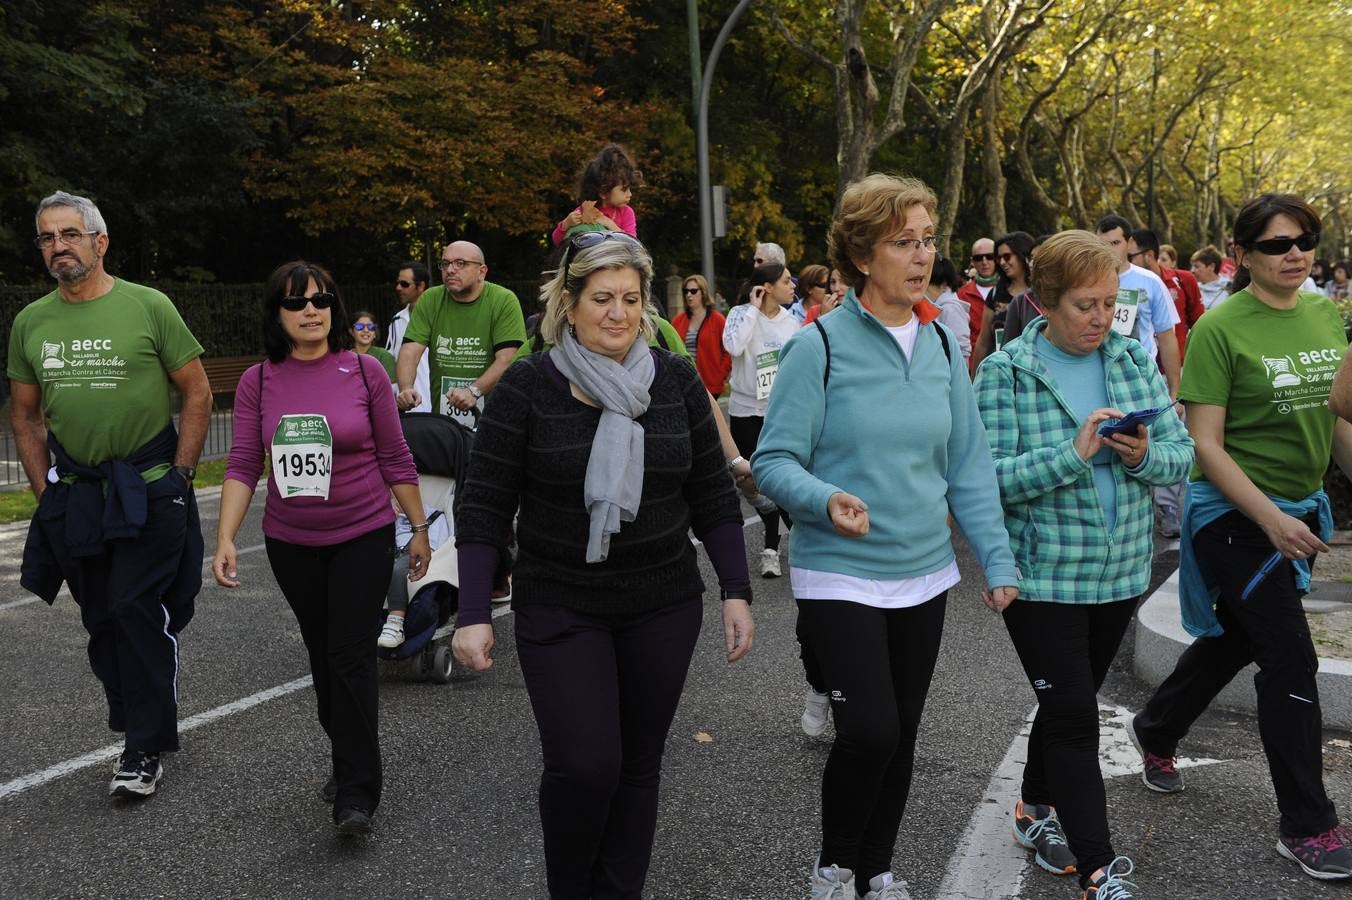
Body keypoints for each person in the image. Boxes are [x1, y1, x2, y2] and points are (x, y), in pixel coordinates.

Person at [450, 231, 754, 899]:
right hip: (560, 601)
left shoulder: (674, 380)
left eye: (631, 299)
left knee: (638, 768)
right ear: (568, 301)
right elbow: (484, 506)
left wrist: (736, 588)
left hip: (663, 603)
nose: (617, 313)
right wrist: (473, 612)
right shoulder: (528, 386)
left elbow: (709, 489)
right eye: (601, 298)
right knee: (585, 766)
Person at [752, 173, 1019, 900]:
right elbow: (772, 462)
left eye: (928, 240)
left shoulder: (938, 341)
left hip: (925, 571)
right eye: (903, 241)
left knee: (899, 733)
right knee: (868, 731)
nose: (921, 254)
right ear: (864, 254)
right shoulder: (820, 348)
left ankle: (877, 872)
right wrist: (824, 497)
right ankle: (833, 866)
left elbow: (966, 462)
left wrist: (995, 559)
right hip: (839, 570)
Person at [1130, 194, 1352, 882]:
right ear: (1245, 254)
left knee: (1237, 635)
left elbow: (1339, 421)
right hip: (1232, 514)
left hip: (1297, 507)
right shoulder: (1223, 328)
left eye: (1306, 240)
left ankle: (1157, 726)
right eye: (1280, 243)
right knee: (1287, 657)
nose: (1296, 253)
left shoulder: (1325, 313)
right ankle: (1307, 824)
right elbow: (1206, 445)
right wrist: (1270, 518)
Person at [975, 231, 1194, 899]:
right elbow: (989, 481)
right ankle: (1100, 872)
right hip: (1042, 577)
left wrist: (1138, 455)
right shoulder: (1005, 372)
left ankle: (1033, 809)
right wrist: (1074, 453)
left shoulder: (1129, 358)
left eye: (1109, 302)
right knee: (1072, 713)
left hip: (1121, 572)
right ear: (1043, 303)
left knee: (1063, 704)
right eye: (1084, 305)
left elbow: (1181, 456)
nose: (1101, 318)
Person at [213, 261, 431, 836]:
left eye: (321, 299)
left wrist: (420, 528)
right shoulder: (259, 381)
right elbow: (242, 464)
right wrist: (226, 537)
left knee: (350, 654)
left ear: (333, 308)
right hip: (291, 542)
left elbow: (394, 456)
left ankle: (357, 792)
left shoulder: (363, 373)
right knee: (321, 652)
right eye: (296, 302)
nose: (310, 310)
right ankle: (347, 750)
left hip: (361, 533)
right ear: (277, 315)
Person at [10, 191, 212, 800]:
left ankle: (144, 745)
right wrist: (46, 492)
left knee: (133, 606)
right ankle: (136, 726)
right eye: (47, 237)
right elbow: (24, 417)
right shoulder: (31, 321)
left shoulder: (148, 306)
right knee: (100, 618)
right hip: (78, 497)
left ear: (100, 243)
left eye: (70, 234)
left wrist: (180, 474)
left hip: (149, 489)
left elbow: (197, 393)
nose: (58, 247)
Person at [723, 262, 802, 577]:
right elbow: (732, 346)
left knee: (778, 478)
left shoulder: (792, 322)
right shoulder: (740, 315)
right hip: (744, 411)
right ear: (767, 287)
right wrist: (753, 311)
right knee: (752, 484)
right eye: (785, 281)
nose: (792, 286)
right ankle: (784, 533)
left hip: (778, 412)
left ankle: (775, 546)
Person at [395, 241, 527, 427]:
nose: (450, 270)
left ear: (482, 272)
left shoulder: (503, 300)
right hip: (444, 423)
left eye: (460, 263)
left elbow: (508, 358)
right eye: (445, 263)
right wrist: (406, 388)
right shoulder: (430, 299)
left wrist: (473, 391)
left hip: (495, 418)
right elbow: (410, 350)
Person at [1093, 215, 1183, 401]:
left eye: (1115, 243)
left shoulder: (1150, 281)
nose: (1109, 250)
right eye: (1103, 244)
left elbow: (1166, 337)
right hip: (1099, 376)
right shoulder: (1088, 281)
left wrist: (1175, 393)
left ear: (1129, 242)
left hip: (1142, 376)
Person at [551, 144, 641, 245]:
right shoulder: (585, 211)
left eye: (629, 188)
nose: (630, 194)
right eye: (624, 190)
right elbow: (557, 241)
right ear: (603, 192)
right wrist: (566, 223)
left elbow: (633, 243)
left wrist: (609, 223)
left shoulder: (626, 212)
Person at [971, 231, 1036, 366]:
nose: (1002, 262)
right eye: (998, 258)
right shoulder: (995, 295)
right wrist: (974, 381)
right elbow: (983, 342)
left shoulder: (1043, 294)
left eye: (1006, 257)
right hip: (1002, 372)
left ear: (1022, 255)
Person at [672, 274, 731, 397]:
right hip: (685, 382)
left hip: (710, 383)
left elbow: (728, 351)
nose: (689, 295)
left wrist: (719, 375)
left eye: (693, 291)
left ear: (703, 293)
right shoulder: (678, 321)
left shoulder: (717, 320)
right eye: (686, 291)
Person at [388, 261, 431, 413]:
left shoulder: (442, 317)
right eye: (398, 283)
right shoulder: (397, 321)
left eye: (404, 284)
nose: (398, 288)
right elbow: (391, 361)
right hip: (409, 407)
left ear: (421, 286)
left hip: (440, 404)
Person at [925, 255, 973, 365]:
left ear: (943, 284)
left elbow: (962, 349)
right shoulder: (940, 305)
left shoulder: (951, 308)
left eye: (929, 284)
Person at [958, 237, 999, 367]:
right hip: (974, 366)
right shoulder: (961, 294)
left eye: (989, 256)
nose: (984, 262)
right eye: (978, 258)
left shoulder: (1010, 291)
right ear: (972, 262)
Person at [351, 311, 396, 382]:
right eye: (359, 326)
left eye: (370, 327)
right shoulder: (345, 357)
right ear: (351, 332)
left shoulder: (383, 356)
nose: (366, 330)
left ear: (375, 333)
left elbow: (392, 387)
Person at [1189, 245, 1231, 310]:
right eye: (1192, 266)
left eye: (1196, 266)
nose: (1192, 270)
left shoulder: (1230, 289)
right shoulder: (1192, 289)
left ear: (1211, 266)